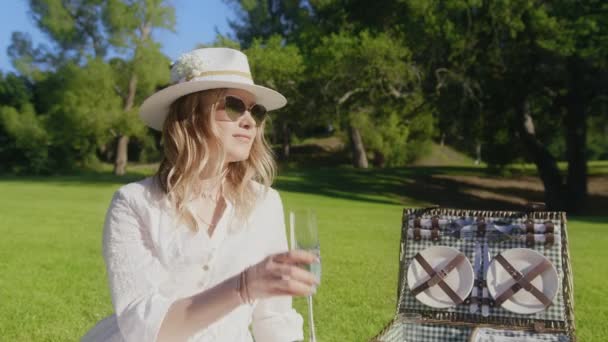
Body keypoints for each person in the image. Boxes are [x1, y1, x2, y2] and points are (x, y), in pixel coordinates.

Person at [82, 47, 319, 342]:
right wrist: (243, 286)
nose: (249, 121)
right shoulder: (134, 203)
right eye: (233, 106)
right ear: (191, 114)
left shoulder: (266, 203)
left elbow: (274, 317)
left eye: (255, 111)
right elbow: (143, 329)